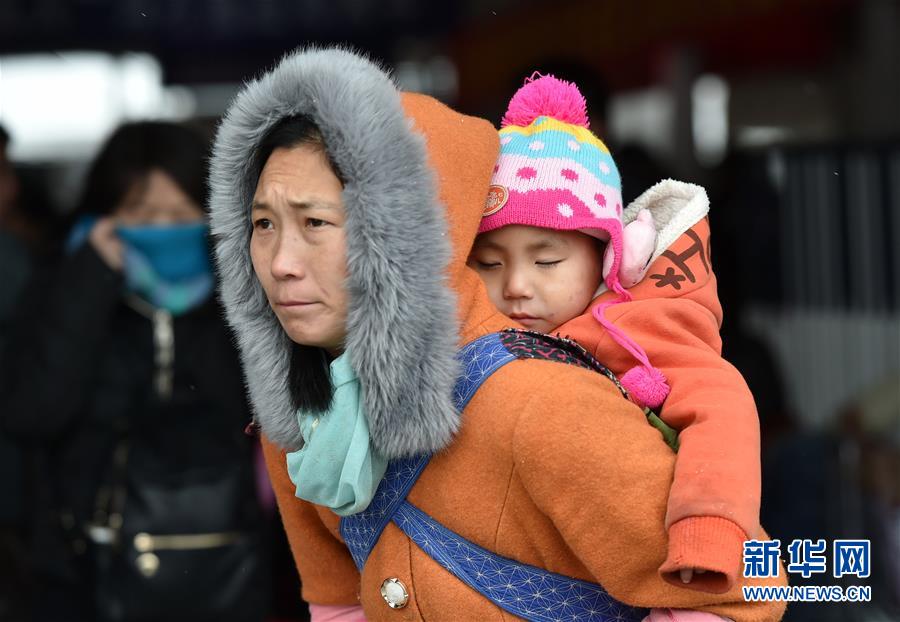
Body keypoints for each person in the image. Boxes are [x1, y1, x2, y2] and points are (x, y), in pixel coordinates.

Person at [209, 46, 786, 622]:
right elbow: (338, 605)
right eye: (262, 223)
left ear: (410, 232)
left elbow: (741, 592)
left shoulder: (545, 406)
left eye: (315, 222)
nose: (281, 262)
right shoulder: (300, 421)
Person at [468, 74, 764, 595]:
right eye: (489, 264)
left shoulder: (645, 328)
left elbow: (723, 410)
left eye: (546, 261)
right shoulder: (464, 334)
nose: (515, 286)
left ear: (609, 258)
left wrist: (706, 528)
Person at [0, 121, 269, 622]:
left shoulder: (247, 296)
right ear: (104, 216)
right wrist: (88, 283)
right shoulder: (62, 286)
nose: (162, 229)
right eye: (141, 214)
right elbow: (32, 411)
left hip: (224, 562)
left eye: (180, 214)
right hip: (80, 572)